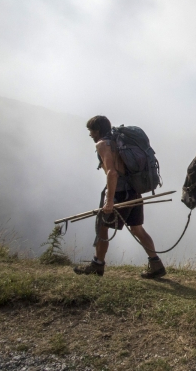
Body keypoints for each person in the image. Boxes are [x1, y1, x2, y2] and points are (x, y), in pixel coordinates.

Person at [73, 115, 166, 278]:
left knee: (102, 228)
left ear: (98, 130)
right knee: (137, 229)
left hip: (119, 193)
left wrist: (109, 201)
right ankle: (156, 265)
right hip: (134, 191)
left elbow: (112, 172)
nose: (90, 134)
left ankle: (97, 265)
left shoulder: (103, 144)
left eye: (91, 131)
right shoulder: (120, 141)